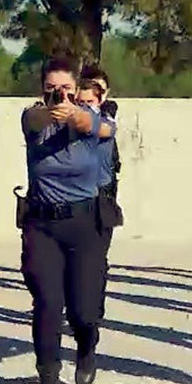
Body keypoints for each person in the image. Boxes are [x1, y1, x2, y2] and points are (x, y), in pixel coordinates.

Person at [20, 58, 114, 384]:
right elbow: (33, 119)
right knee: (47, 302)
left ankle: (87, 347)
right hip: (41, 223)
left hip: (84, 223)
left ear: (77, 90)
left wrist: (74, 115)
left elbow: (98, 128)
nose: (59, 94)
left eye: (66, 89)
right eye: (51, 89)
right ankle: (48, 381)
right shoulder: (33, 118)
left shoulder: (91, 117)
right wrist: (51, 111)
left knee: (83, 311)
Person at [76, 79, 123, 255]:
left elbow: (105, 128)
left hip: (102, 191)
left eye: (90, 102)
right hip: (77, 192)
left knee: (99, 250)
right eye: (81, 103)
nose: (85, 107)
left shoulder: (105, 122)